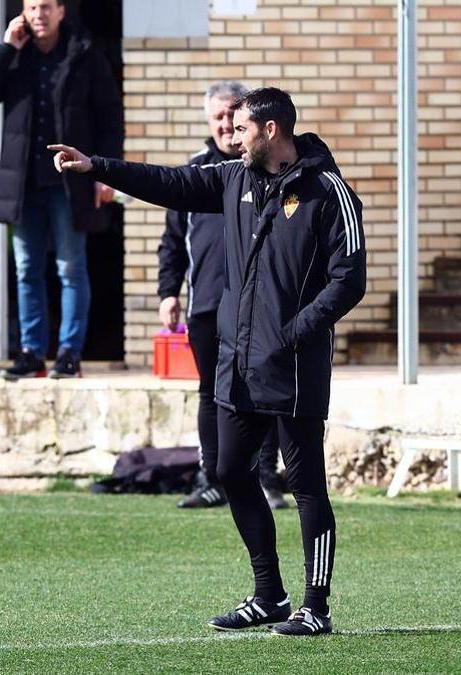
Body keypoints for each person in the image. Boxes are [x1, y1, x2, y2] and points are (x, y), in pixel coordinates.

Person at [49, 87, 366, 636]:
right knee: (227, 471)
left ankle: (316, 606)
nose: (233, 137)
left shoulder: (328, 192)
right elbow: (168, 182)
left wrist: (295, 333)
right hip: (236, 362)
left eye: (242, 129)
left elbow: (350, 280)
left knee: (306, 483)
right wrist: (95, 165)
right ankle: (268, 594)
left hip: (292, 364)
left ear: (271, 130)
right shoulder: (232, 179)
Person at [0, 0, 122, 380]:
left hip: (69, 182)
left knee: (71, 268)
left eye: (47, 6)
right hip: (23, 183)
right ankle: (31, 353)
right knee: (26, 269)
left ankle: (69, 353)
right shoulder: (15, 55)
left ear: (61, 12)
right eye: (33, 7)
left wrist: (106, 174)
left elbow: (109, 117)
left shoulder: (85, 55)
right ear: (24, 11)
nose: (39, 14)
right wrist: (6, 48)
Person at [162, 81, 287, 511]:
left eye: (231, 117)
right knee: (209, 393)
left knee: (263, 391)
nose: (224, 126)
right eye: (216, 117)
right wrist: (167, 292)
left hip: (257, 309)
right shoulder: (195, 172)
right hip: (207, 304)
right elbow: (172, 241)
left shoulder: (265, 172)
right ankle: (211, 477)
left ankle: (267, 478)